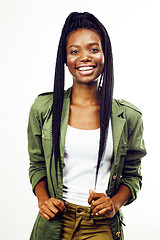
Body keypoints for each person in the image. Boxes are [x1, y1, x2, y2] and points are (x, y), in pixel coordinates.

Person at [27, 12, 146, 240]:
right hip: (53, 223)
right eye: (75, 51)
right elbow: (37, 164)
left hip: (99, 225)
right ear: (65, 57)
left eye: (93, 49)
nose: (85, 57)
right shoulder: (44, 109)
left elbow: (133, 176)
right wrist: (44, 201)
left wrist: (113, 203)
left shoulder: (128, 116)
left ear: (104, 54)